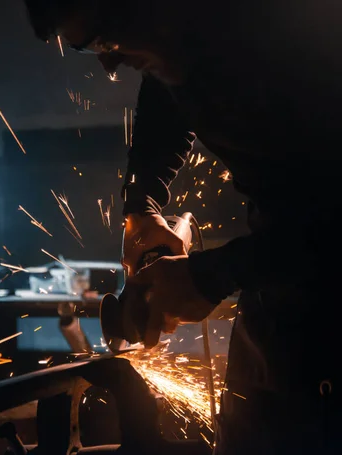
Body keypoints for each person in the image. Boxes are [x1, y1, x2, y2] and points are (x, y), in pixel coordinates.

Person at [22, 1, 342, 454]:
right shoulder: (189, 43)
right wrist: (142, 202)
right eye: (87, 47)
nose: (109, 61)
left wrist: (212, 275)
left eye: (107, 37)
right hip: (279, 300)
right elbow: (164, 91)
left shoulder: (309, 42)